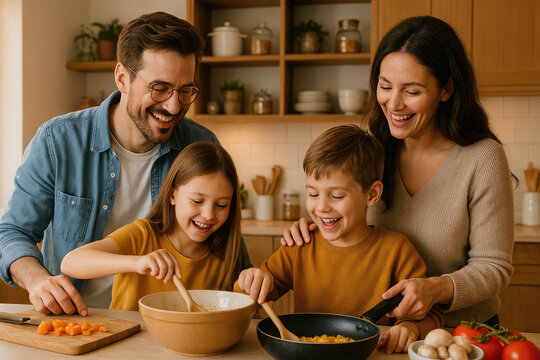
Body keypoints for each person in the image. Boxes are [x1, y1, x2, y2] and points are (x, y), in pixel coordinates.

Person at [0, 12, 250, 316]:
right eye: (159, 88)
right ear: (122, 78)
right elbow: (12, 233)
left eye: (185, 91)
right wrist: (38, 279)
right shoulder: (58, 140)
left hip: (159, 325)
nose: (174, 106)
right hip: (75, 321)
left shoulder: (200, 144)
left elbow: (232, 250)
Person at [282, 16, 514, 328]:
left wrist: (434, 288)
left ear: (446, 89)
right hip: (387, 334)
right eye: (385, 86)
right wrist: (315, 228)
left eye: (412, 91)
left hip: (462, 332)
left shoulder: (482, 158)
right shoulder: (370, 151)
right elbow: (350, 224)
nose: (393, 103)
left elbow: (494, 267)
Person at [238, 125, 443, 354]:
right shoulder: (300, 245)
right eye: (313, 194)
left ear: (372, 194)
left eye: (336, 196)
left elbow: (432, 314)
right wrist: (249, 279)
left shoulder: (397, 250)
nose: (322, 207)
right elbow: (252, 295)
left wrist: (411, 327)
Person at [61, 142, 243, 311]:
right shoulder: (142, 235)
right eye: (197, 201)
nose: (209, 215)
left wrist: (250, 282)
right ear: (172, 195)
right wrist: (136, 262)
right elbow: (71, 262)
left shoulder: (223, 255)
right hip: (128, 343)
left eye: (221, 205)